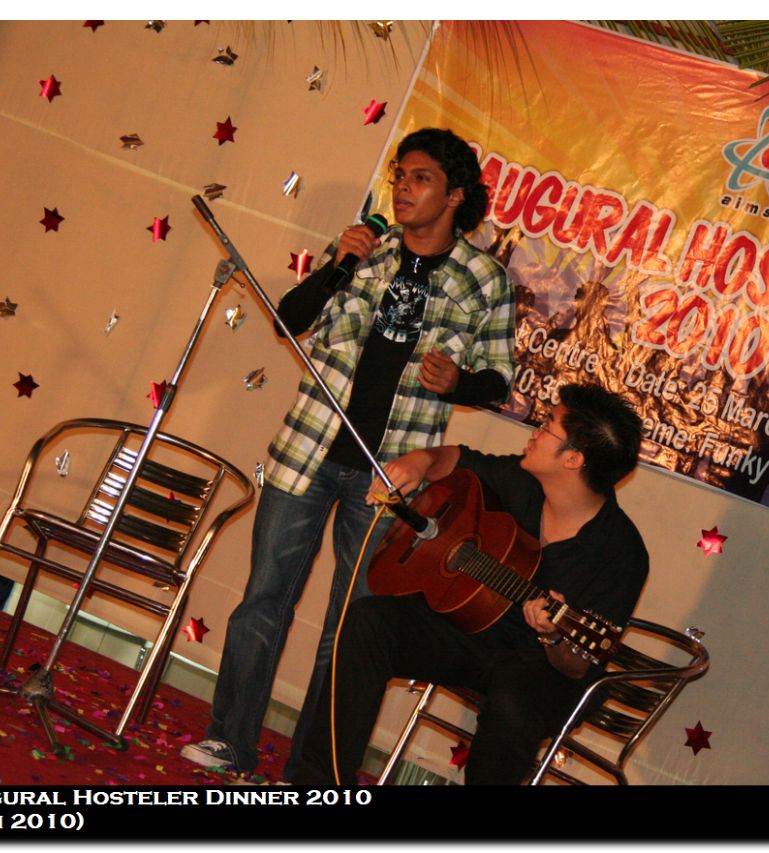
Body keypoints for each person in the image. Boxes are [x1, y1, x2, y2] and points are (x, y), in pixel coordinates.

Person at [182, 128, 515, 776]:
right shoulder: (366, 250)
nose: (403, 188)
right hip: (306, 450)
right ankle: (230, 738)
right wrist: (339, 262)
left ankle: (308, 770)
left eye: (420, 177)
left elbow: (498, 380)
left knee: (347, 627)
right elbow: (288, 320)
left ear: (455, 195)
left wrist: (460, 382)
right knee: (262, 601)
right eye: (400, 175)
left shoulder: (484, 280)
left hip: (390, 479)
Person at [294, 383, 648, 785]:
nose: (535, 430)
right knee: (370, 620)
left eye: (548, 425)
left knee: (514, 702)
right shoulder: (521, 481)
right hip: (476, 637)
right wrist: (420, 461)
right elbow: (456, 460)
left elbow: (578, 663)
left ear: (573, 459)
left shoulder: (621, 554)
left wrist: (553, 635)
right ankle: (319, 784)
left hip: (545, 671)